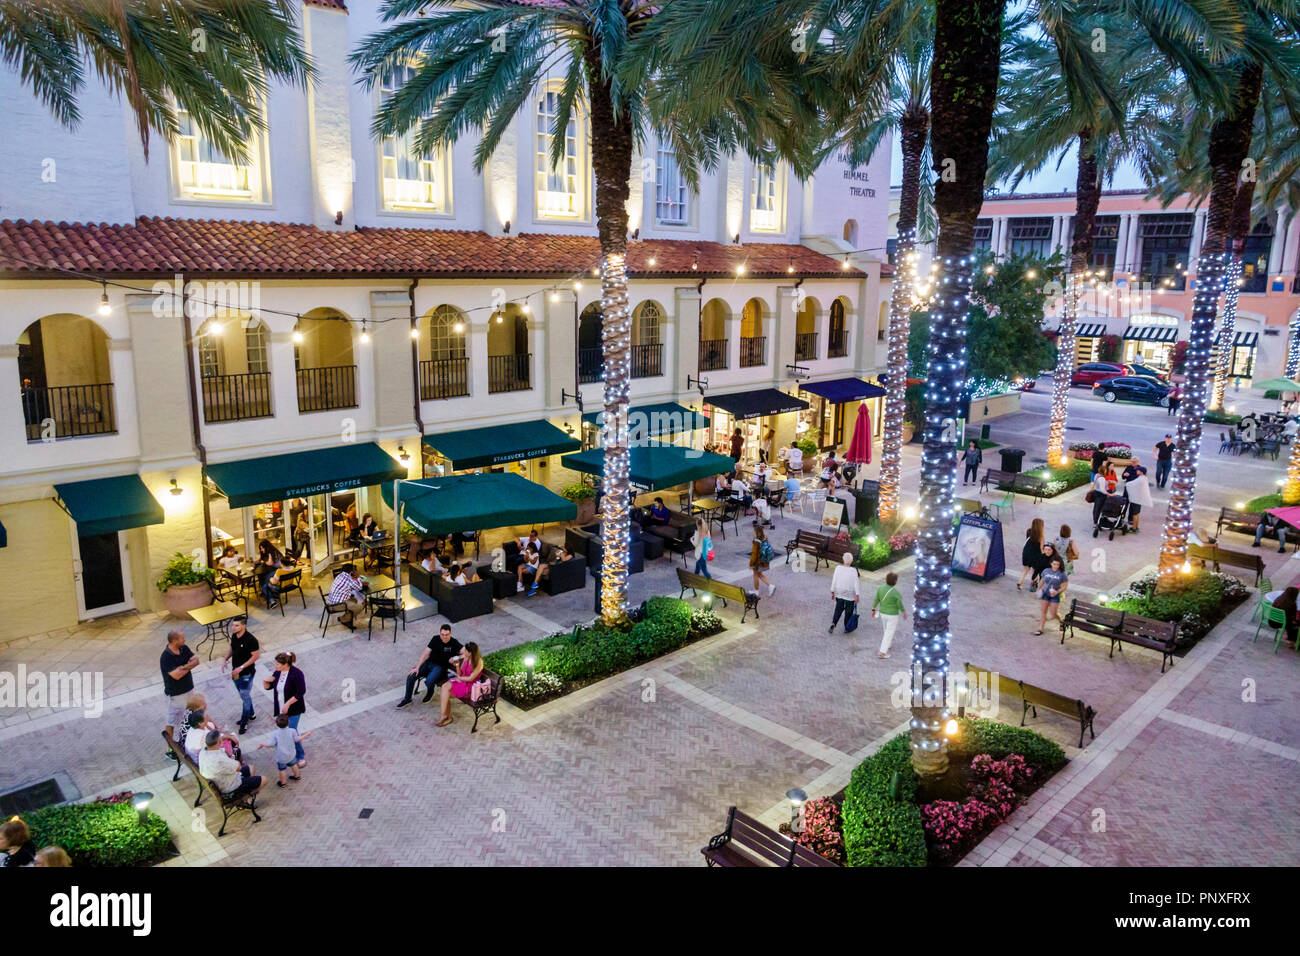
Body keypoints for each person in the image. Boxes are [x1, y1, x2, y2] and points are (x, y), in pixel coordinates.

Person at [398, 623, 463, 708]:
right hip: (428, 663)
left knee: (429, 681)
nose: (444, 637)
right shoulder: (435, 639)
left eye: (447, 635)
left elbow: (466, 653)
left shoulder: (454, 642)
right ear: (440, 633)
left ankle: (430, 692)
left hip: (440, 667)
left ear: (450, 633)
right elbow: (426, 653)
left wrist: (456, 657)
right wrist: (417, 667)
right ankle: (407, 699)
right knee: (411, 676)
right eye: (442, 634)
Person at [263, 651, 308, 767]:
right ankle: (289, 753)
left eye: (277, 664)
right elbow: (270, 687)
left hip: (293, 709)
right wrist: (265, 682)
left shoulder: (297, 674)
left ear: (286, 664)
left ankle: (300, 756)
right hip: (280, 708)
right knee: (288, 732)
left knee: (291, 732)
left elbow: (301, 692)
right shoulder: (278, 672)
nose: (275, 666)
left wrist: (288, 704)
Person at [161, 630, 200, 752]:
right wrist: (189, 665)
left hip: (188, 689)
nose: (185, 640)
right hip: (176, 694)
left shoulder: (184, 648)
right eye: (182, 638)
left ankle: (188, 741)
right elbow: (176, 676)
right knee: (171, 721)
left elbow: (196, 661)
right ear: (174, 641)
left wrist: (183, 667)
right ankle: (170, 750)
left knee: (190, 715)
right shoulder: (166, 657)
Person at [199, 729, 264, 801]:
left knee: (251, 768)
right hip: (230, 787)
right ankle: (246, 797)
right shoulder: (220, 759)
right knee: (264, 780)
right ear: (219, 742)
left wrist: (229, 738)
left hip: (219, 781)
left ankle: (248, 791)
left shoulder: (203, 751)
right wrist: (232, 755)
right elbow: (238, 767)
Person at [221, 617, 259, 734]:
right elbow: (232, 648)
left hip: (246, 674)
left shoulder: (251, 640)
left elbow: (255, 656)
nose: (233, 627)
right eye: (233, 625)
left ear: (244, 626)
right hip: (235, 673)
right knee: (244, 696)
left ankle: (244, 721)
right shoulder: (234, 636)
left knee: (244, 696)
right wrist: (225, 659)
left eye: (236, 625)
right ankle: (252, 714)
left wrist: (241, 667)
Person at [436, 642, 484, 728]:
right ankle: (445, 716)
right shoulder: (466, 657)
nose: (463, 652)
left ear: (470, 652)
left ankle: (447, 717)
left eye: (465, 650)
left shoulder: (479, 662)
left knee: (445, 693)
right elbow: (460, 673)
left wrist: (460, 678)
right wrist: (457, 665)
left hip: (469, 686)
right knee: (444, 687)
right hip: (462, 681)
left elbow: (471, 678)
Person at [257, 714, 312, 788]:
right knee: (294, 765)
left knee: (282, 769)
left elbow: (271, 744)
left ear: (276, 724)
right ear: (288, 722)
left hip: (281, 757)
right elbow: (297, 739)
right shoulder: (292, 731)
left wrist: (263, 745)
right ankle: (297, 776)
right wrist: (306, 734)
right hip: (291, 754)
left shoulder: (275, 734)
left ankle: (283, 783)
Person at [871, 571, 906, 659]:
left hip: (883, 613)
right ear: (895, 582)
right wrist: (903, 612)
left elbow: (876, 599)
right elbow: (899, 604)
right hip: (892, 615)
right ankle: (882, 652)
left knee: (885, 629)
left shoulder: (880, 589)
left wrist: (873, 609)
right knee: (889, 633)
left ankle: (888, 644)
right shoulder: (895, 593)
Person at [1035, 555, 1069, 635]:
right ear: (1051, 563)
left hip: (1055, 595)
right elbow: (1042, 581)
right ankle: (1040, 628)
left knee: (1053, 614)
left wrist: (1057, 592)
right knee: (1043, 612)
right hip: (1045, 594)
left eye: (1058, 564)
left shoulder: (1062, 574)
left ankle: (1061, 620)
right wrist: (1037, 590)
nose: (1056, 566)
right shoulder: (1046, 571)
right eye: (1054, 564)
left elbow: (1065, 586)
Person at [828, 551, 860, 634]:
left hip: (839, 591)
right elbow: (856, 583)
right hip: (850, 593)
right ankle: (846, 627)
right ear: (852, 561)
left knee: (838, 609)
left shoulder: (838, 568)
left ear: (843, 559)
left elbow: (834, 580)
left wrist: (832, 591)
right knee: (848, 612)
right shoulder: (853, 570)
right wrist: (857, 594)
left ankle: (834, 623)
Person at [328, 564, 367, 629]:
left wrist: (357, 580)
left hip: (331, 602)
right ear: (352, 572)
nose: (356, 571)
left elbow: (351, 585)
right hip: (337, 605)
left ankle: (348, 616)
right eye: (355, 570)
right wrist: (358, 577)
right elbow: (359, 588)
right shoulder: (349, 579)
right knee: (362, 604)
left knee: (354, 599)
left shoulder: (340, 575)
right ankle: (344, 619)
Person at [1123, 459, 1153, 532]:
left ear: (1141, 472)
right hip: (1139, 499)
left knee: (1135, 514)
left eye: (1137, 470)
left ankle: (1134, 528)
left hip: (1137, 499)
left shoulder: (1141, 479)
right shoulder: (1144, 478)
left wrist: (1127, 484)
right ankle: (1136, 527)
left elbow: (1131, 484)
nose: (1136, 471)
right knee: (1137, 513)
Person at [1018, 518, 1045, 591]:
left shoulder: (1029, 531)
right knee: (1035, 571)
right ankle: (1033, 585)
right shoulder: (1041, 536)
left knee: (1025, 571)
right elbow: (1042, 549)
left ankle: (1019, 583)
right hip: (1035, 556)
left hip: (1026, 554)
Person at [749, 523, 775, 597]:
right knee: (759, 574)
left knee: (755, 575)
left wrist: (751, 564)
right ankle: (770, 586)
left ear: (756, 533)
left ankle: (756, 591)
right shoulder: (765, 538)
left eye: (754, 532)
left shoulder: (756, 541)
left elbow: (754, 554)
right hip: (764, 561)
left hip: (758, 562)